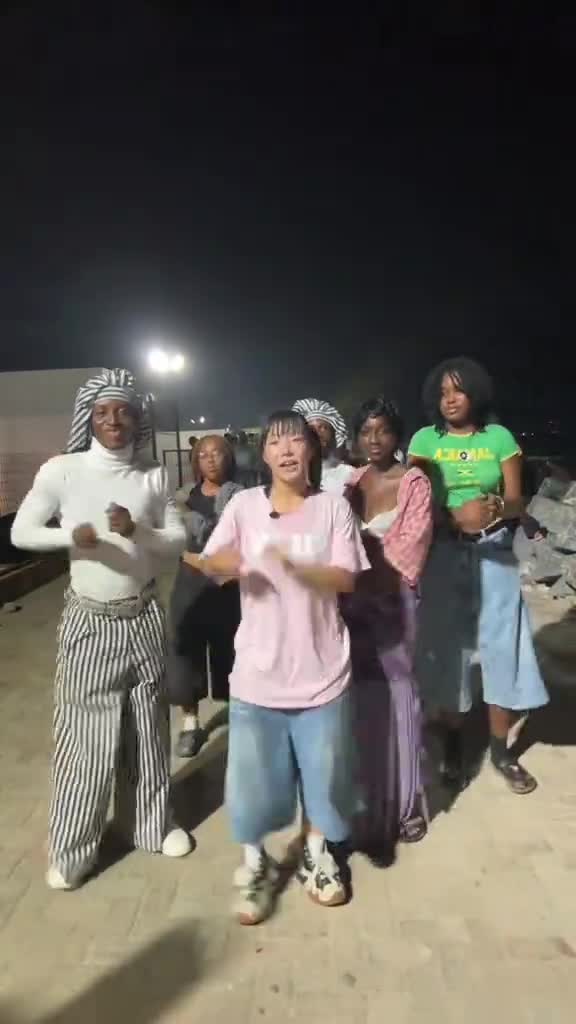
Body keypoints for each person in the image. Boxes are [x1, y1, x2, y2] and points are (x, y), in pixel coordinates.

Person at [11, 368, 192, 890]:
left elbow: (176, 540)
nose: (114, 420)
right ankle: (72, 850)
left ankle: (151, 826)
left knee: (148, 730)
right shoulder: (63, 470)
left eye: (124, 411)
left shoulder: (153, 475)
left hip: (144, 615)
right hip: (90, 621)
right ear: (87, 419)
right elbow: (22, 531)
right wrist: (74, 534)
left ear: (138, 418)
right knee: (84, 739)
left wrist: (137, 530)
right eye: (102, 412)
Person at [197, 410, 369, 925]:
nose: (287, 450)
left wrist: (298, 568)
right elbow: (211, 563)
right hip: (258, 672)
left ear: (312, 449)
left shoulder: (333, 507)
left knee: (324, 776)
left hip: (322, 670)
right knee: (252, 783)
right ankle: (254, 864)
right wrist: (234, 564)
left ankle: (317, 855)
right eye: (276, 442)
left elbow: (346, 578)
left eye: (296, 440)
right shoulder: (244, 506)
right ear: (264, 454)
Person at [408, 357, 549, 794]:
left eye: (458, 390)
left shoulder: (499, 438)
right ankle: (453, 746)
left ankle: (502, 753)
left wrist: (496, 508)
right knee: (449, 650)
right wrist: (455, 516)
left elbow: (517, 500)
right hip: (443, 553)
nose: (449, 399)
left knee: (502, 648)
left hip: (494, 551)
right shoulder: (424, 441)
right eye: (442, 393)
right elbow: (416, 501)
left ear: (476, 393)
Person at [341, 398, 433, 850]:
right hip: (351, 602)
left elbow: (411, 545)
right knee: (359, 696)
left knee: (400, 694)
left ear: (397, 435)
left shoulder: (414, 483)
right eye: (365, 431)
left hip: (394, 602)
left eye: (382, 430)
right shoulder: (351, 482)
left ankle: (408, 805)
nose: (374, 440)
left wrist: (363, 570)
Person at [167, 434, 242, 757]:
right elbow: (169, 541)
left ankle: (238, 718)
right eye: (203, 455)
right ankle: (190, 724)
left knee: (233, 653)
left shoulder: (244, 497)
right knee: (186, 654)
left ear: (229, 458)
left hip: (229, 588)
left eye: (217, 453)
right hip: (190, 586)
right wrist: (188, 556)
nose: (210, 459)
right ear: (195, 462)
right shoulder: (180, 500)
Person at [292, 397, 354, 495]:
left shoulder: (349, 474)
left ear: (334, 434)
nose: (317, 433)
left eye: (323, 427)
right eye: (311, 428)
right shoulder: (293, 475)